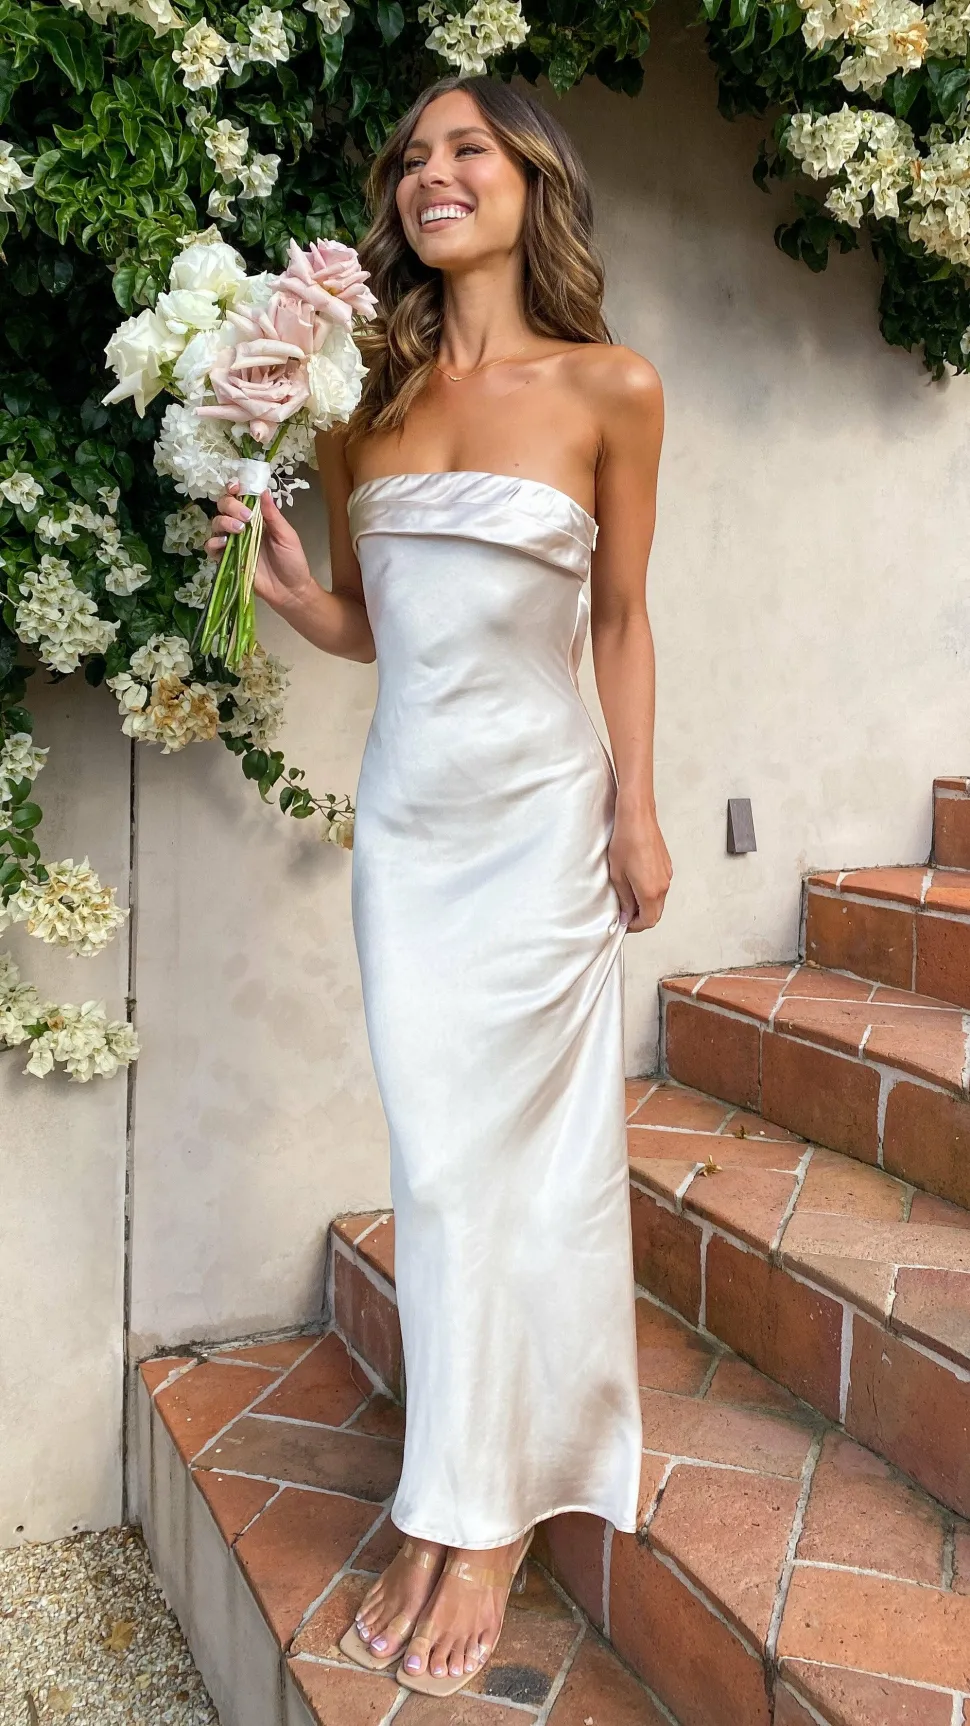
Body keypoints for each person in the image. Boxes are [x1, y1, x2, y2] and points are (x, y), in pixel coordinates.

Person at [205, 72, 671, 1701]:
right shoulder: (362, 404)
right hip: (413, 838)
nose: (432, 173)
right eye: (413, 156)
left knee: (531, 1168)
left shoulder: (611, 387)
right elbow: (375, 626)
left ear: (533, 179)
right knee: (440, 1163)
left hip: (545, 825)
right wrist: (289, 597)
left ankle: (469, 1517)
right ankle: (469, 1484)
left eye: (467, 147)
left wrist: (635, 807)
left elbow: (619, 618)